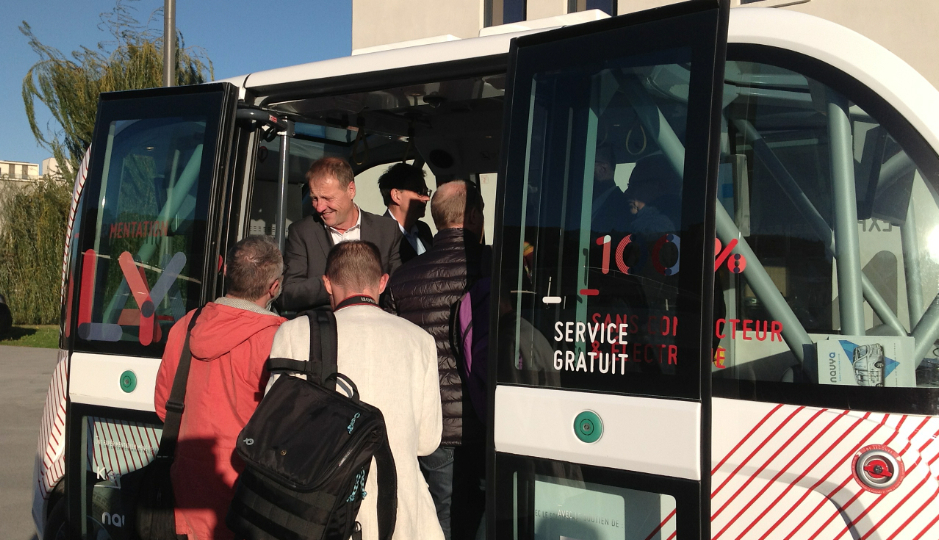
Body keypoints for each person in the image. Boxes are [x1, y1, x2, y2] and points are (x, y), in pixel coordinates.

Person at [270, 240, 444, 540]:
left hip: (320, 510)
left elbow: (277, 428)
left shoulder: (294, 332)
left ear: (327, 283)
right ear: (383, 282)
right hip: (401, 512)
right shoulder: (420, 340)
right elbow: (427, 442)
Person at [154, 235, 286, 540]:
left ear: (226, 272)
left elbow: (165, 408)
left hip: (186, 494)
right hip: (247, 498)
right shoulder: (280, 339)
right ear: (274, 287)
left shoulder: (187, 325)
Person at [384, 180, 489, 540]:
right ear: (474, 216)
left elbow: (395, 351)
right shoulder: (497, 267)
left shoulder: (403, 277)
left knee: (442, 515)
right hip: (489, 418)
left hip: (433, 425)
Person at [280, 156, 402, 311]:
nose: (319, 207)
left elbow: (399, 286)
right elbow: (288, 294)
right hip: (324, 328)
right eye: (314, 199)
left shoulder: (386, 230)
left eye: (327, 198)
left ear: (351, 190)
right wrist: (336, 284)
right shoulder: (303, 232)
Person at [378, 163, 434, 263]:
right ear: (396, 195)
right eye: (419, 192)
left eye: (426, 192)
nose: (427, 198)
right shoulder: (380, 237)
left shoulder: (423, 230)